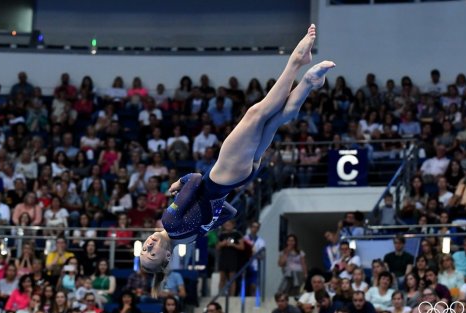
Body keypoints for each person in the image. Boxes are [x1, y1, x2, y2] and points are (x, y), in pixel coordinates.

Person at [140, 25, 335, 278]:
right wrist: (181, 182)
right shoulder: (170, 222)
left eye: (144, 249)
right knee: (257, 113)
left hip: (238, 178)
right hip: (222, 174)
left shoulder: (188, 238)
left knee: (274, 120)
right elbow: (196, 179)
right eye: (152, 254)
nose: (149, 246)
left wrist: (210, 201)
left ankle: (309, 83)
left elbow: (230, 212)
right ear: (167, 257)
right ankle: (296, 60)